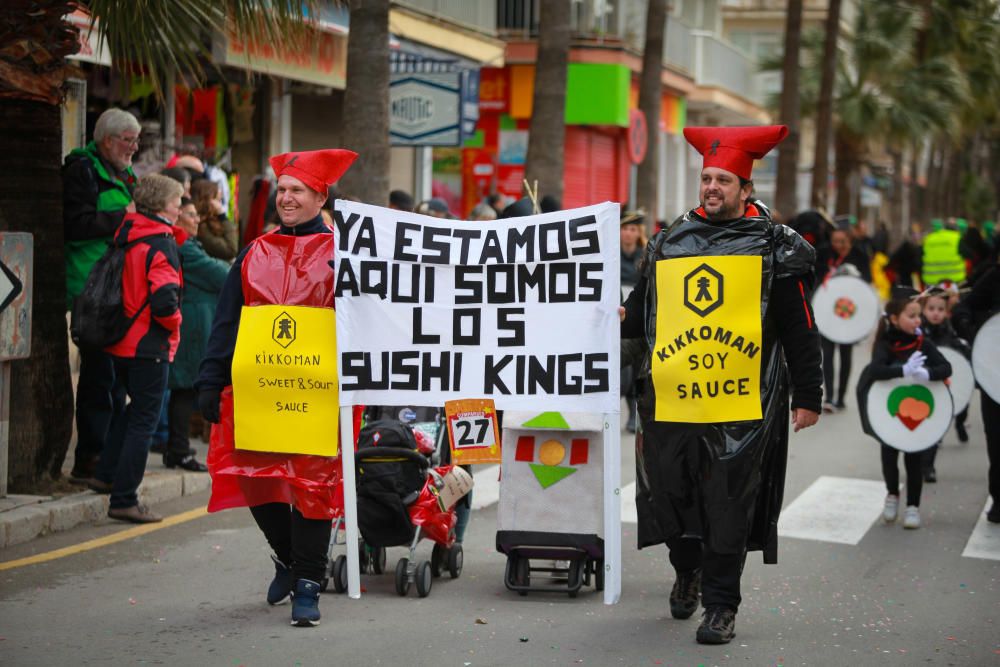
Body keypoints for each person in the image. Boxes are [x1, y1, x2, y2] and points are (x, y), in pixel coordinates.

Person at [620, 125, 822, 645]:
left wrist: (808, 395)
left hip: (742, 403)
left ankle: (721, 606)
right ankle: (685, 568)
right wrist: (613, 336)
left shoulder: (774, 247)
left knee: (727, 503)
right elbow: (640, 315)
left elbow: (799, 325)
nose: (711, 187)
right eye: (706, 178)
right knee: (671, 495)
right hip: (673, 398)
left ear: (746, 189)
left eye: (723, 180)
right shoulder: (669, 240)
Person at [197, 148, 358, 627]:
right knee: (252, 477)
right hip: (258, 391)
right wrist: (211, 379)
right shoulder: (253, 252)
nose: (286, 199)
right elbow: (227, 321)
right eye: (282, 190)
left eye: (297, 191)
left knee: (314, 487)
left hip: (321, 394)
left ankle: (308, 585)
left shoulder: (344, 256)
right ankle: (289, 558)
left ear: (319, 196)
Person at [87, 174, 185, 523]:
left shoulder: (128, 234)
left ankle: (105, 473)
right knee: (144, 419)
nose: (181, 207)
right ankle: (124, 498)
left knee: (132, 411)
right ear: (161, 205)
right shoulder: (161, 242)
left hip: (121, 342)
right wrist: (177, 322)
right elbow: (163, 301)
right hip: (149, 345)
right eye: (177, 201)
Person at [63, 108, 140, 483]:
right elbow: (75, 225)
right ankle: (90, 457)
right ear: (108, 140)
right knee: (98, 376)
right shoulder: (82, 169)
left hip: (120, 290)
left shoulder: (124, 173)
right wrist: (123, 218)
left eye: (137, 140)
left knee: (116, 378)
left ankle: (106, 455)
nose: (134, 148)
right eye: (129, 140)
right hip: (91, 290)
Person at [855, 287, 951, 529]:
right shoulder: (885, 343)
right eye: (911, 315)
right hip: (890, 416)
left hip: (917, 417)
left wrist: (926, 373)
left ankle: (913, 506)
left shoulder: (924, 344)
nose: (917, 320)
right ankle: (892, 495)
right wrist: (903, 370)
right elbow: (876, 370)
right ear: (895, 319)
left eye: (918, 315)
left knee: (914, 459)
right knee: (889, 457)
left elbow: (946, 368)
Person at [163, 198, 228, 472]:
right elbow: (222, 274)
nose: (196, 219)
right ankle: (178, 449)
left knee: (185, 389)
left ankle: (177, 448)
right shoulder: (185, 248)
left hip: (195, 323)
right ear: (176, 217)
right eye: (188, 214)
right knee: (185, 389)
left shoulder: (188, 245)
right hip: (191, 327)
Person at [952, 258, 1000, 523]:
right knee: (996, 437)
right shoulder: (994, 276)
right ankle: (999, 498)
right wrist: (975, 335)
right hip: (995, 374)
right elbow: (963, 308)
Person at [816, 224, 872, 412]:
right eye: (834, 242)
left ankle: (841, 397)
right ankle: (829, 397)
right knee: (828, 355)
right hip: (827, 313)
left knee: (846, 355)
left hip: (849, 315)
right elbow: (815, 278)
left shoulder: (860, 255)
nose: (837, 245)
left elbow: (867, 282)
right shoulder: (823, 253)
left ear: (850, 241)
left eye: (842, 242)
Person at [920, 286, 971, 482]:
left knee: (935, 428)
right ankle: (922, 464)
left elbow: (959, 357)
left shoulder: (949, 331)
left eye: (940, 309)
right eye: (931, 308)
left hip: (943, 386)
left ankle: (928, 466)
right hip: (923, 386)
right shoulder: (918, 332)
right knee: (924, 427)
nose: (935, 313)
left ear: (947, 311)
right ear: (924, 309)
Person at [619, 210, 645, 433]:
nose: (628, 233)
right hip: (618, 313)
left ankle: (633, 409)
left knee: (637, 366)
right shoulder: (611, 254)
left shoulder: (644, 255)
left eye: (632, 229)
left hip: (637, 313)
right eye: (625, 228)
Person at [192, 179, 238, 261]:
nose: (220, 205)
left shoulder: (212, 220)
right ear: (206, 200)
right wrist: (223, 216)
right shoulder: (201, 226)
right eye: (218, 200)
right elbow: (231, 250)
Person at [922, 219, 966, 287]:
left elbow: (920, 257)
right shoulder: (957, 238)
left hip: (932, 281)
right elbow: (969, 255)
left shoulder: (929, 238)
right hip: (955, 280)